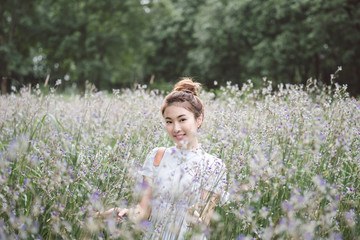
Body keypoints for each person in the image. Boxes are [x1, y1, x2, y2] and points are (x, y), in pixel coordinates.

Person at [100, 78, 227, 239]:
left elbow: (205, 221)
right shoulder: (157, 156)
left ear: (199, 119)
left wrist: (195, 218)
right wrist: (121, 212)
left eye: (182, 120)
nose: (176, 128)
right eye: (169, 121)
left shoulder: (213, 165)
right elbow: (143, 211)